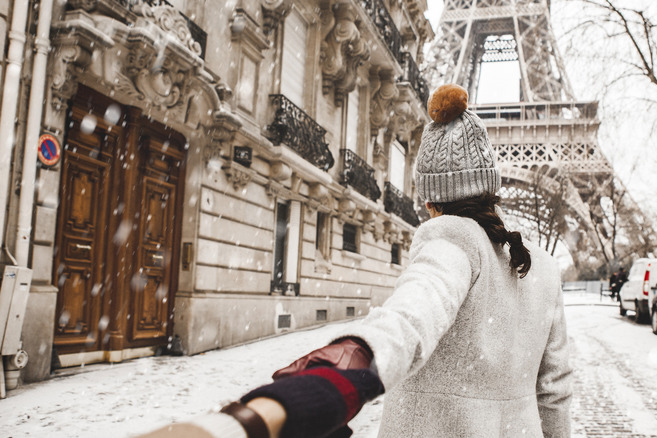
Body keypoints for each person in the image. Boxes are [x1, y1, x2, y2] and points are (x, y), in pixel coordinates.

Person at [141, 84, 572, 438]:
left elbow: (411, 317)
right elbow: (553, 393)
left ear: (428, 200)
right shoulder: (544, 268)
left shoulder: (452, 237)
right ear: (489, 186)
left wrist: (343, 366)